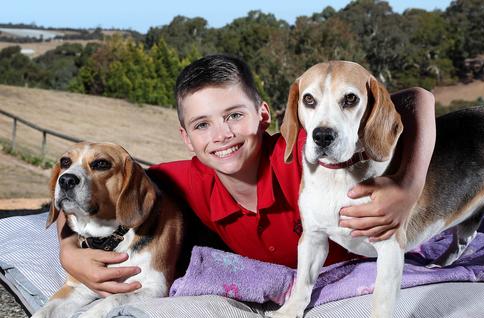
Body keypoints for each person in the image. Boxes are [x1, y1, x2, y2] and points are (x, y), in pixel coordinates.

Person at [58, 54, 436, 296]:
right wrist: (67, 251)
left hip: (385, 248)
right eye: (202, 125)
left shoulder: (304, 153)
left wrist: (407, 186)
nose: (221, 135)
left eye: (234, 115)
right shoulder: (187, 179)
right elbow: (89, 183)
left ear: (264, 115)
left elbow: (419, 98)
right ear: (186, 139)